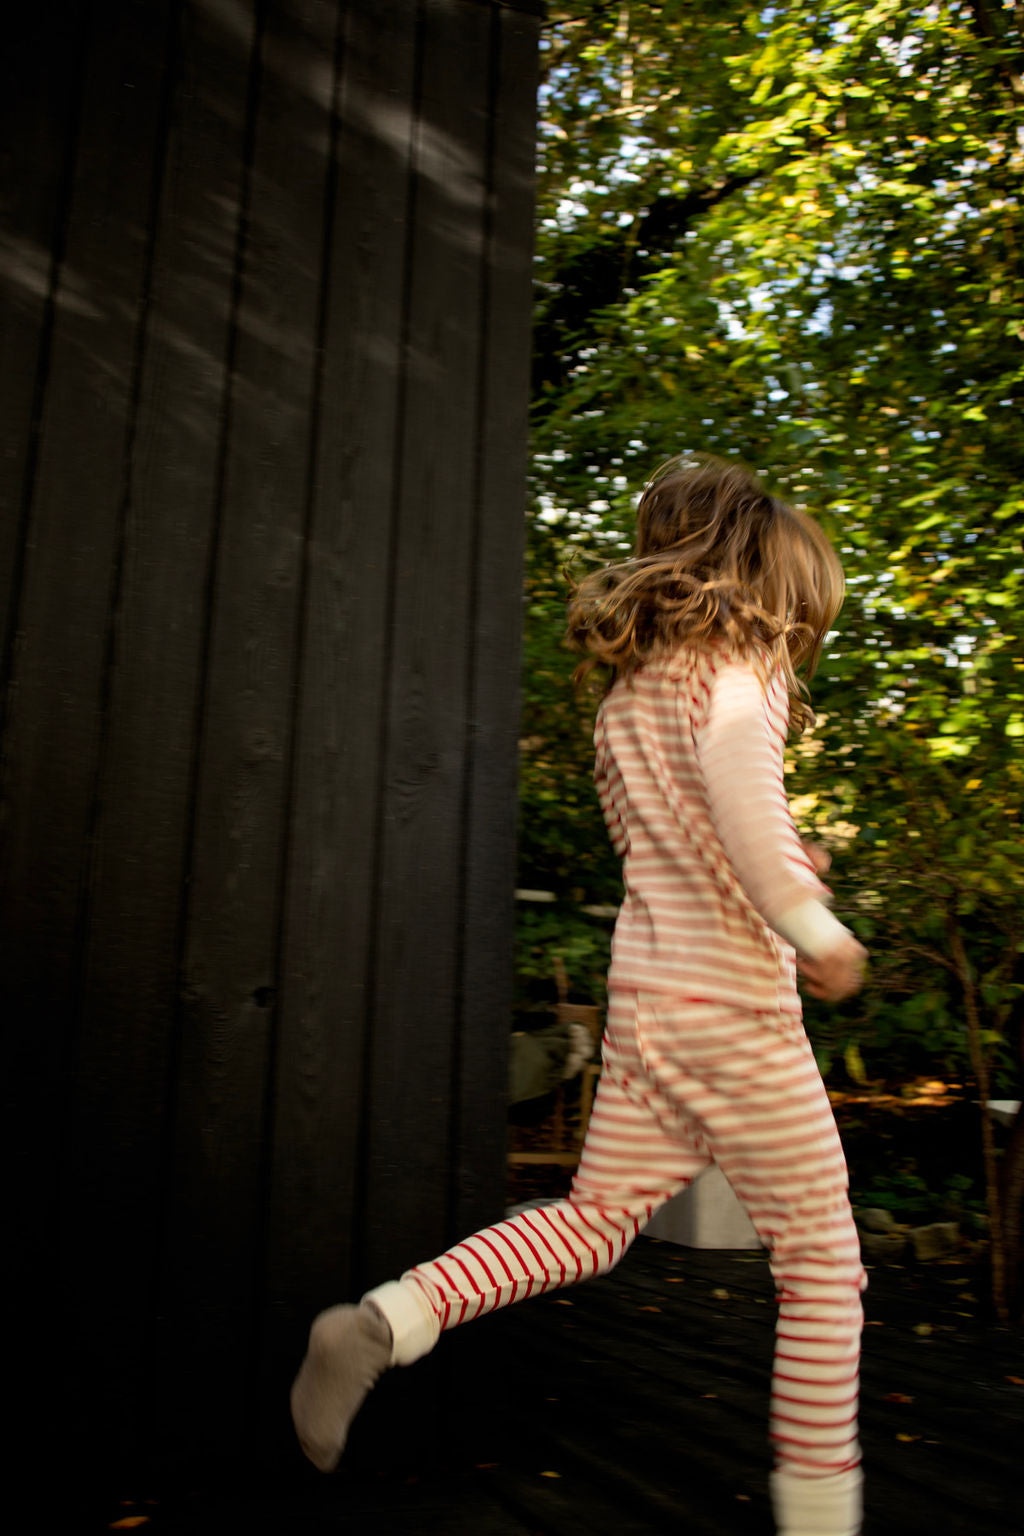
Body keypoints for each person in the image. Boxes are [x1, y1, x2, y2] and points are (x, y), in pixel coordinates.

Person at [290, 454, 869, 1536]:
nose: (796, 641)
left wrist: (789, 871)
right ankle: (823, 1522)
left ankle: (384, 1319)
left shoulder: (628, 700)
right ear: (757, 591)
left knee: (594, 1223)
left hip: (651, 1004)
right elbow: (742, 814)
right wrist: (811, 924)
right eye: (797, 617)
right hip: (736, 1012)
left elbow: (685, 841)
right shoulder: (740, 668)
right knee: (825, 1263)